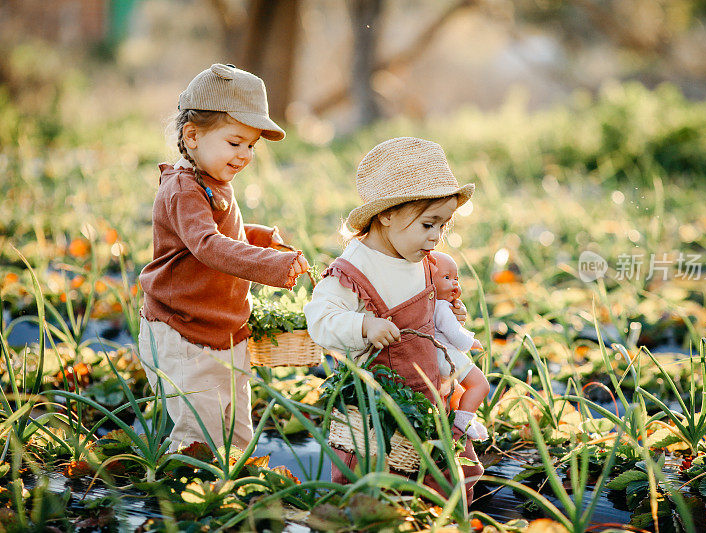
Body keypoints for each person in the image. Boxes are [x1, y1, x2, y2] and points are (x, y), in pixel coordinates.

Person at [137, 64, 309, 452]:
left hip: (224, 330)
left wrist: (261, 238)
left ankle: (228, 493)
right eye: (235, 143)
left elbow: (222, 235)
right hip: (185, 333)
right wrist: (272, 266)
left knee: (236, 433)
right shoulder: (184, 189)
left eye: (251, 145)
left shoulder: (214, 182)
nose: (246, 154)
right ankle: (187, 503)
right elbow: (208, 246)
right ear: (192, 135)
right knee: (199, 438)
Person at [304, 136, 484, 505]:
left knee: (442, 480)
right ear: (387, 214)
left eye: (443, 226)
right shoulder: (354, 269)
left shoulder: (423, 259)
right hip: (379, 408)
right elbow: (320, 319)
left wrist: (451, 314)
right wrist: (364, 326)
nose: (436, 237)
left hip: (431, 393)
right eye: (428, 224)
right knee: (375, 488)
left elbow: (431, 312)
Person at [429, 251, 490, 441]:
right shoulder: (441, 307)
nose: (455, 283)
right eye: (447, 277)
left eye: (456, 278)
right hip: (445, 355)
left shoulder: (432, 305)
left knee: (456, 391)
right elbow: (454, 333)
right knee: (480, 384)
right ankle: (464, 419)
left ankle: (462, 415)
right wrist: (471, 342)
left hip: (438, 354)